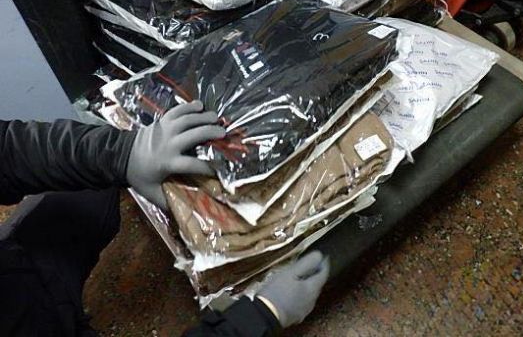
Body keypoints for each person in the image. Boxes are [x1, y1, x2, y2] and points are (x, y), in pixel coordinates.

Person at [0, 100, 330, 336]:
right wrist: (261, 316)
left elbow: (8, 151)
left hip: (17, 277)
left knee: (88, 193)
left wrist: (124, 154)